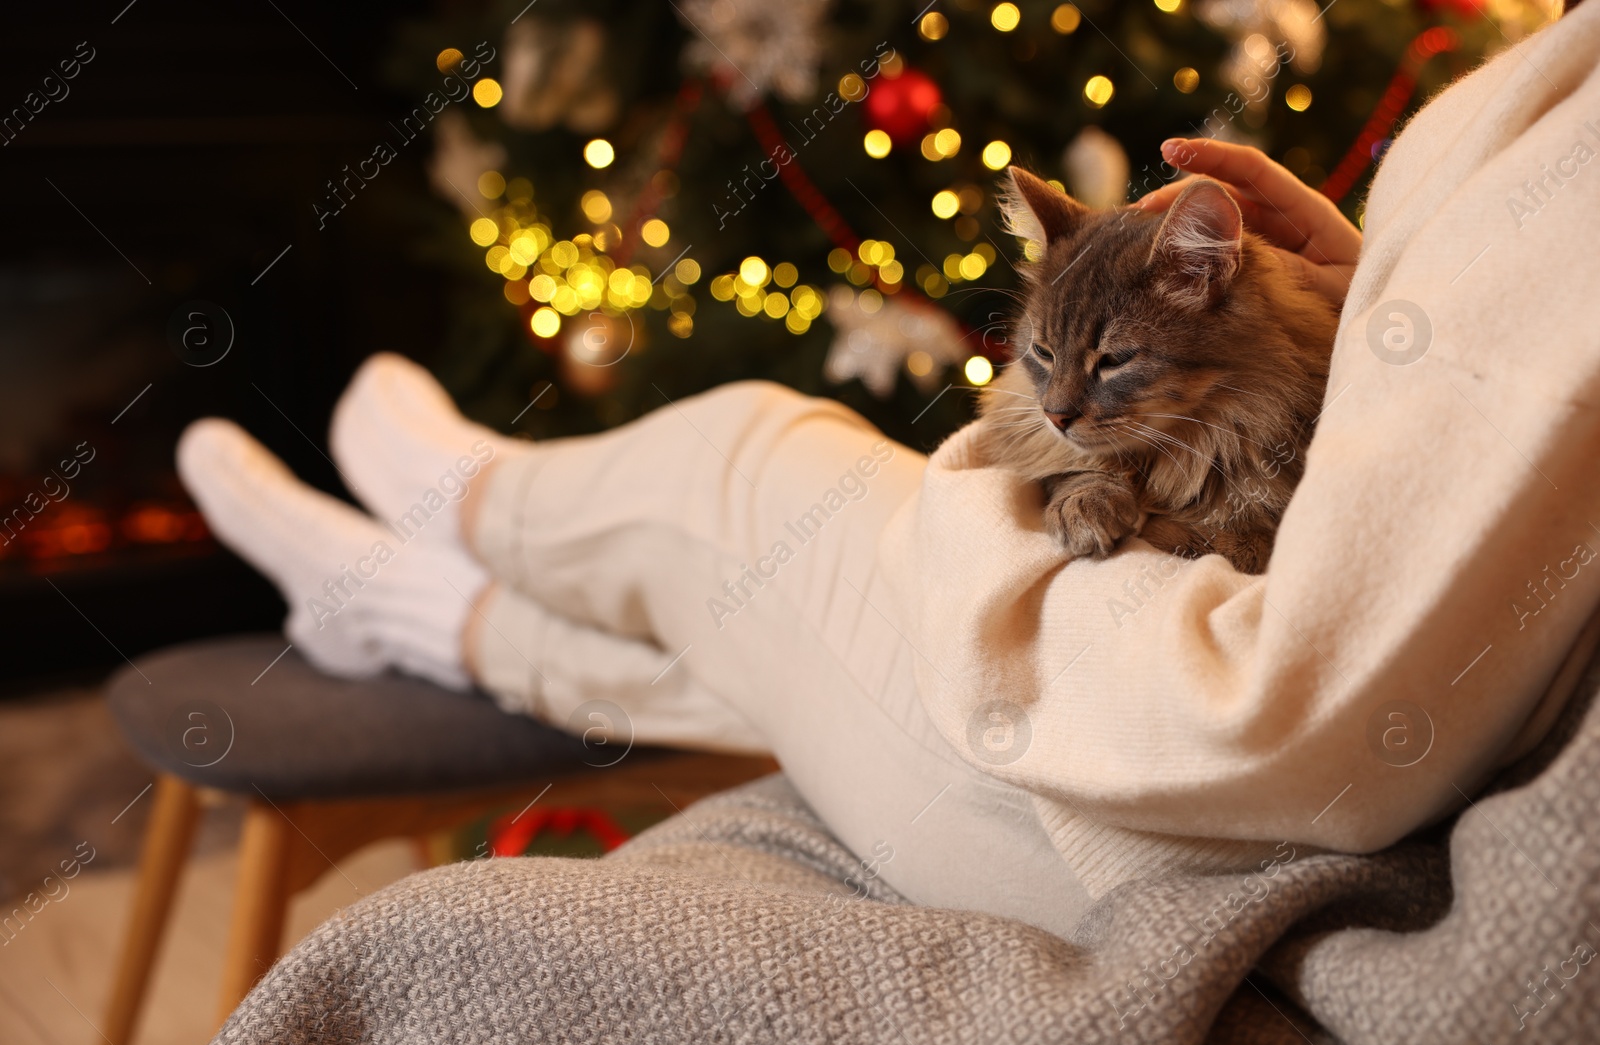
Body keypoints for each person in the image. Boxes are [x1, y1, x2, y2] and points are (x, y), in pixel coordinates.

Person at [177, 2, 1600, 940]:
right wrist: (1366, 288)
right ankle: (421, 602)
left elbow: (1315, 718)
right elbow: (1478, 458)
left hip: (1176, 809)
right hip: (1206, 745)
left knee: (755, 465)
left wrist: (964, 532)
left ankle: (457, 511)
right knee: (759, 616)